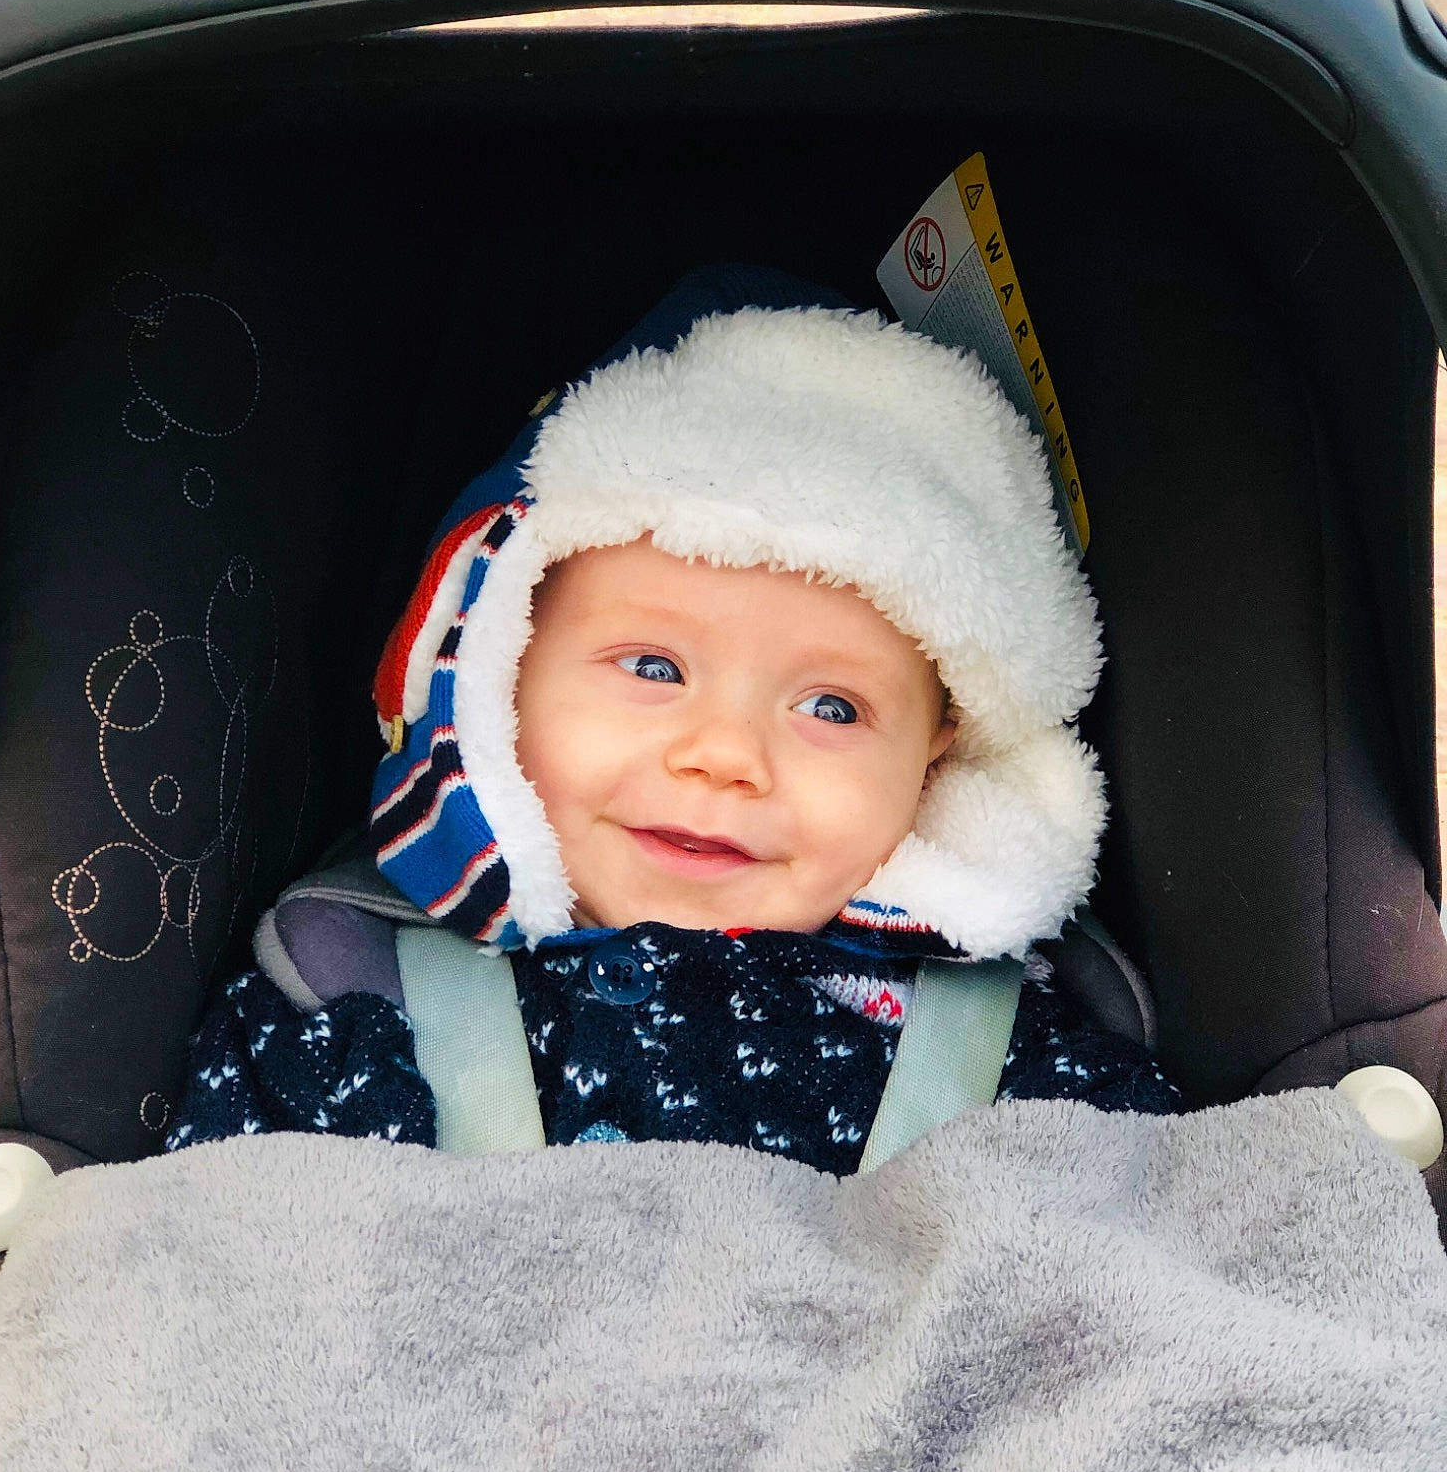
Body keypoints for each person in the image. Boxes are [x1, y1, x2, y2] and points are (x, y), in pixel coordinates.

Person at [167, 267, 1181, 1171]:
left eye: (832, 706)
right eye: (654, 666)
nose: (726, 755)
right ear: (499, 672)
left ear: (933, 759)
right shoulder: (353, 999)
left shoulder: (1031, 1061)